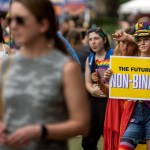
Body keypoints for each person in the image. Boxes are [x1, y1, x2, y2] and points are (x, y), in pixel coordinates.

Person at [0, 0, 90, 150]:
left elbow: (82, 125)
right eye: (10, 19)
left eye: (20, 20)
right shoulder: (7, 65)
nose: (13, 26)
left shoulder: (66, 68)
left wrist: (40, 131)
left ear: (43, 24)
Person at [102, 28, 140, 150]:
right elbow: (108, 92)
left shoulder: (143, 60)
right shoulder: (115, 61)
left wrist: (128, 37)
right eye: (122, 42)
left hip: (133, 110)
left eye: (129, 43)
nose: (124, 46)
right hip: (115, 107)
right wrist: (101, 81)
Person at [115, 22, 150, 150]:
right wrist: (108, 78)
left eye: (146, 39)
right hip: (135, 114)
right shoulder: (132, 61)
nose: (142, 43)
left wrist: (128, 37)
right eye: (139, 40)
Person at [81, 24, 113, 150]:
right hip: (94, 103)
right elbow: (87, 82)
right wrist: (92, 90)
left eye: (96, 38)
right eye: (90, 39)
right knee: (87, 142)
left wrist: (106, 88)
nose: (93, 42)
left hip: (109, 103)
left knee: (109, 139)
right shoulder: (90, 58)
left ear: (104, 40)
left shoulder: (114, 55)